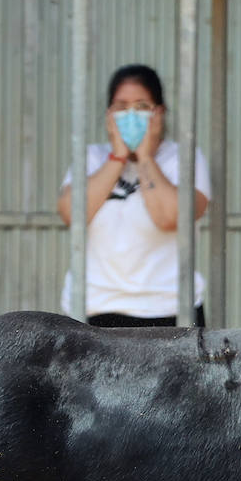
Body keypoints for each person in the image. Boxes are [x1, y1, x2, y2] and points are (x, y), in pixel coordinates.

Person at [56, 64, 211, 327]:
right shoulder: (91, 157)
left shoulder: (183, 158)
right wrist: (117, 156)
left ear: (159, 113)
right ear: (109, 115)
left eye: (141, 106)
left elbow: (171, 218)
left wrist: (144, 156)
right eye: (121, 106)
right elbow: (72, 213)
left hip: (169, 311)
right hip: (94, 309)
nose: (131, 115)